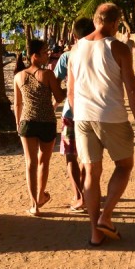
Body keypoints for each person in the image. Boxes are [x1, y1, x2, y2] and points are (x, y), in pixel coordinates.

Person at [68, 2, 135, 247]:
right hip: (111, 116)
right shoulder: (119, 48)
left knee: (91, 173)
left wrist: (78, 113)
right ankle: (106, 215)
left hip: (81, 117)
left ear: (95, 20)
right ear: (114, 23)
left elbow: (70, 91)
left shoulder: (75, 49)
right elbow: (132, 89)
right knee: (124, 166)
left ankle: (95, 232)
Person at [14, 39, 65, 216]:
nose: (48, 54)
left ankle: (34, 204)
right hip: (47, 123)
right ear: (34, 56)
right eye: (44, 52)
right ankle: (41, 195)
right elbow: (59, 96)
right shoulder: (48, 75)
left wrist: (18, 123)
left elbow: (17, 104)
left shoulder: (18, 76)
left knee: (30, 163)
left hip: (27, 122)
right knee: (44, 162)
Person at [53, 18, 95, 213]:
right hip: (94, 113)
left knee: (71, 156)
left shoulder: (67, 56)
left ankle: (79, 197)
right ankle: (88, 193)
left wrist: (56, 100)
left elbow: (54, 83)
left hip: (72, 113)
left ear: (73, 36)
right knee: (89, 157)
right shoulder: (101, 54)